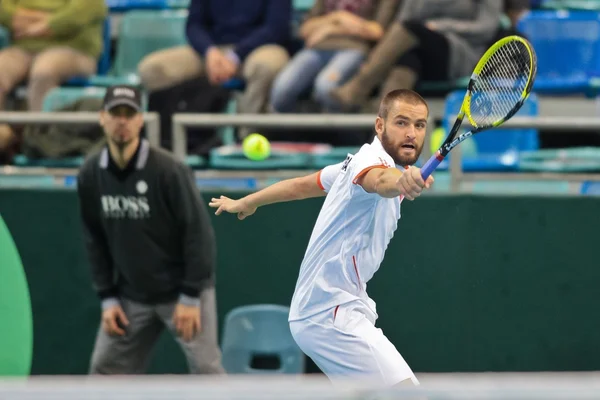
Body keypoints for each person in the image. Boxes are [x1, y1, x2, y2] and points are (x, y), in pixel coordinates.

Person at [209, 89, 433, 386]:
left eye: (419, 125)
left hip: (331, 308)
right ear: (380, 125)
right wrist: (402, 181)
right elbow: (380, 180)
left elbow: (303, 185)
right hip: (328, 312)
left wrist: (250, 201)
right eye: (401, 123)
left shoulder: (349, 163)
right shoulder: (370, 164)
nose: (411, 133)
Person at [77, 85, 225, 375]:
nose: (122, 121)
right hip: (131, 296)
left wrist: (190, 296)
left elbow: (198, 234)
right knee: (104, 370)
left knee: (207, 372)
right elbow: (94, 239)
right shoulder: (91, 174)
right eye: (115, 114)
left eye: (129, 114)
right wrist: (108, 298)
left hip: (184, 293)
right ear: (102, 118)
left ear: (140, 120)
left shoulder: (169, 170)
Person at [330, 0, 501, 110]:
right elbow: (403, 20)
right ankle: (383, 136)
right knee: (406, 60)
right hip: (418, 47)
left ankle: (358, 88)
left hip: (460, 52)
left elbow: (486, 28)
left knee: (412, 30)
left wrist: (439, 26)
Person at [269, 0, 400, 113]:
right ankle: (299, 134)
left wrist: (331, 28)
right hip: (316, 49)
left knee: (325, 87)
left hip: (353, 48)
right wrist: (336, 18)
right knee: (281, 90)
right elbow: (305, 29)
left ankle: (346, 134)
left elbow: (377, 31)